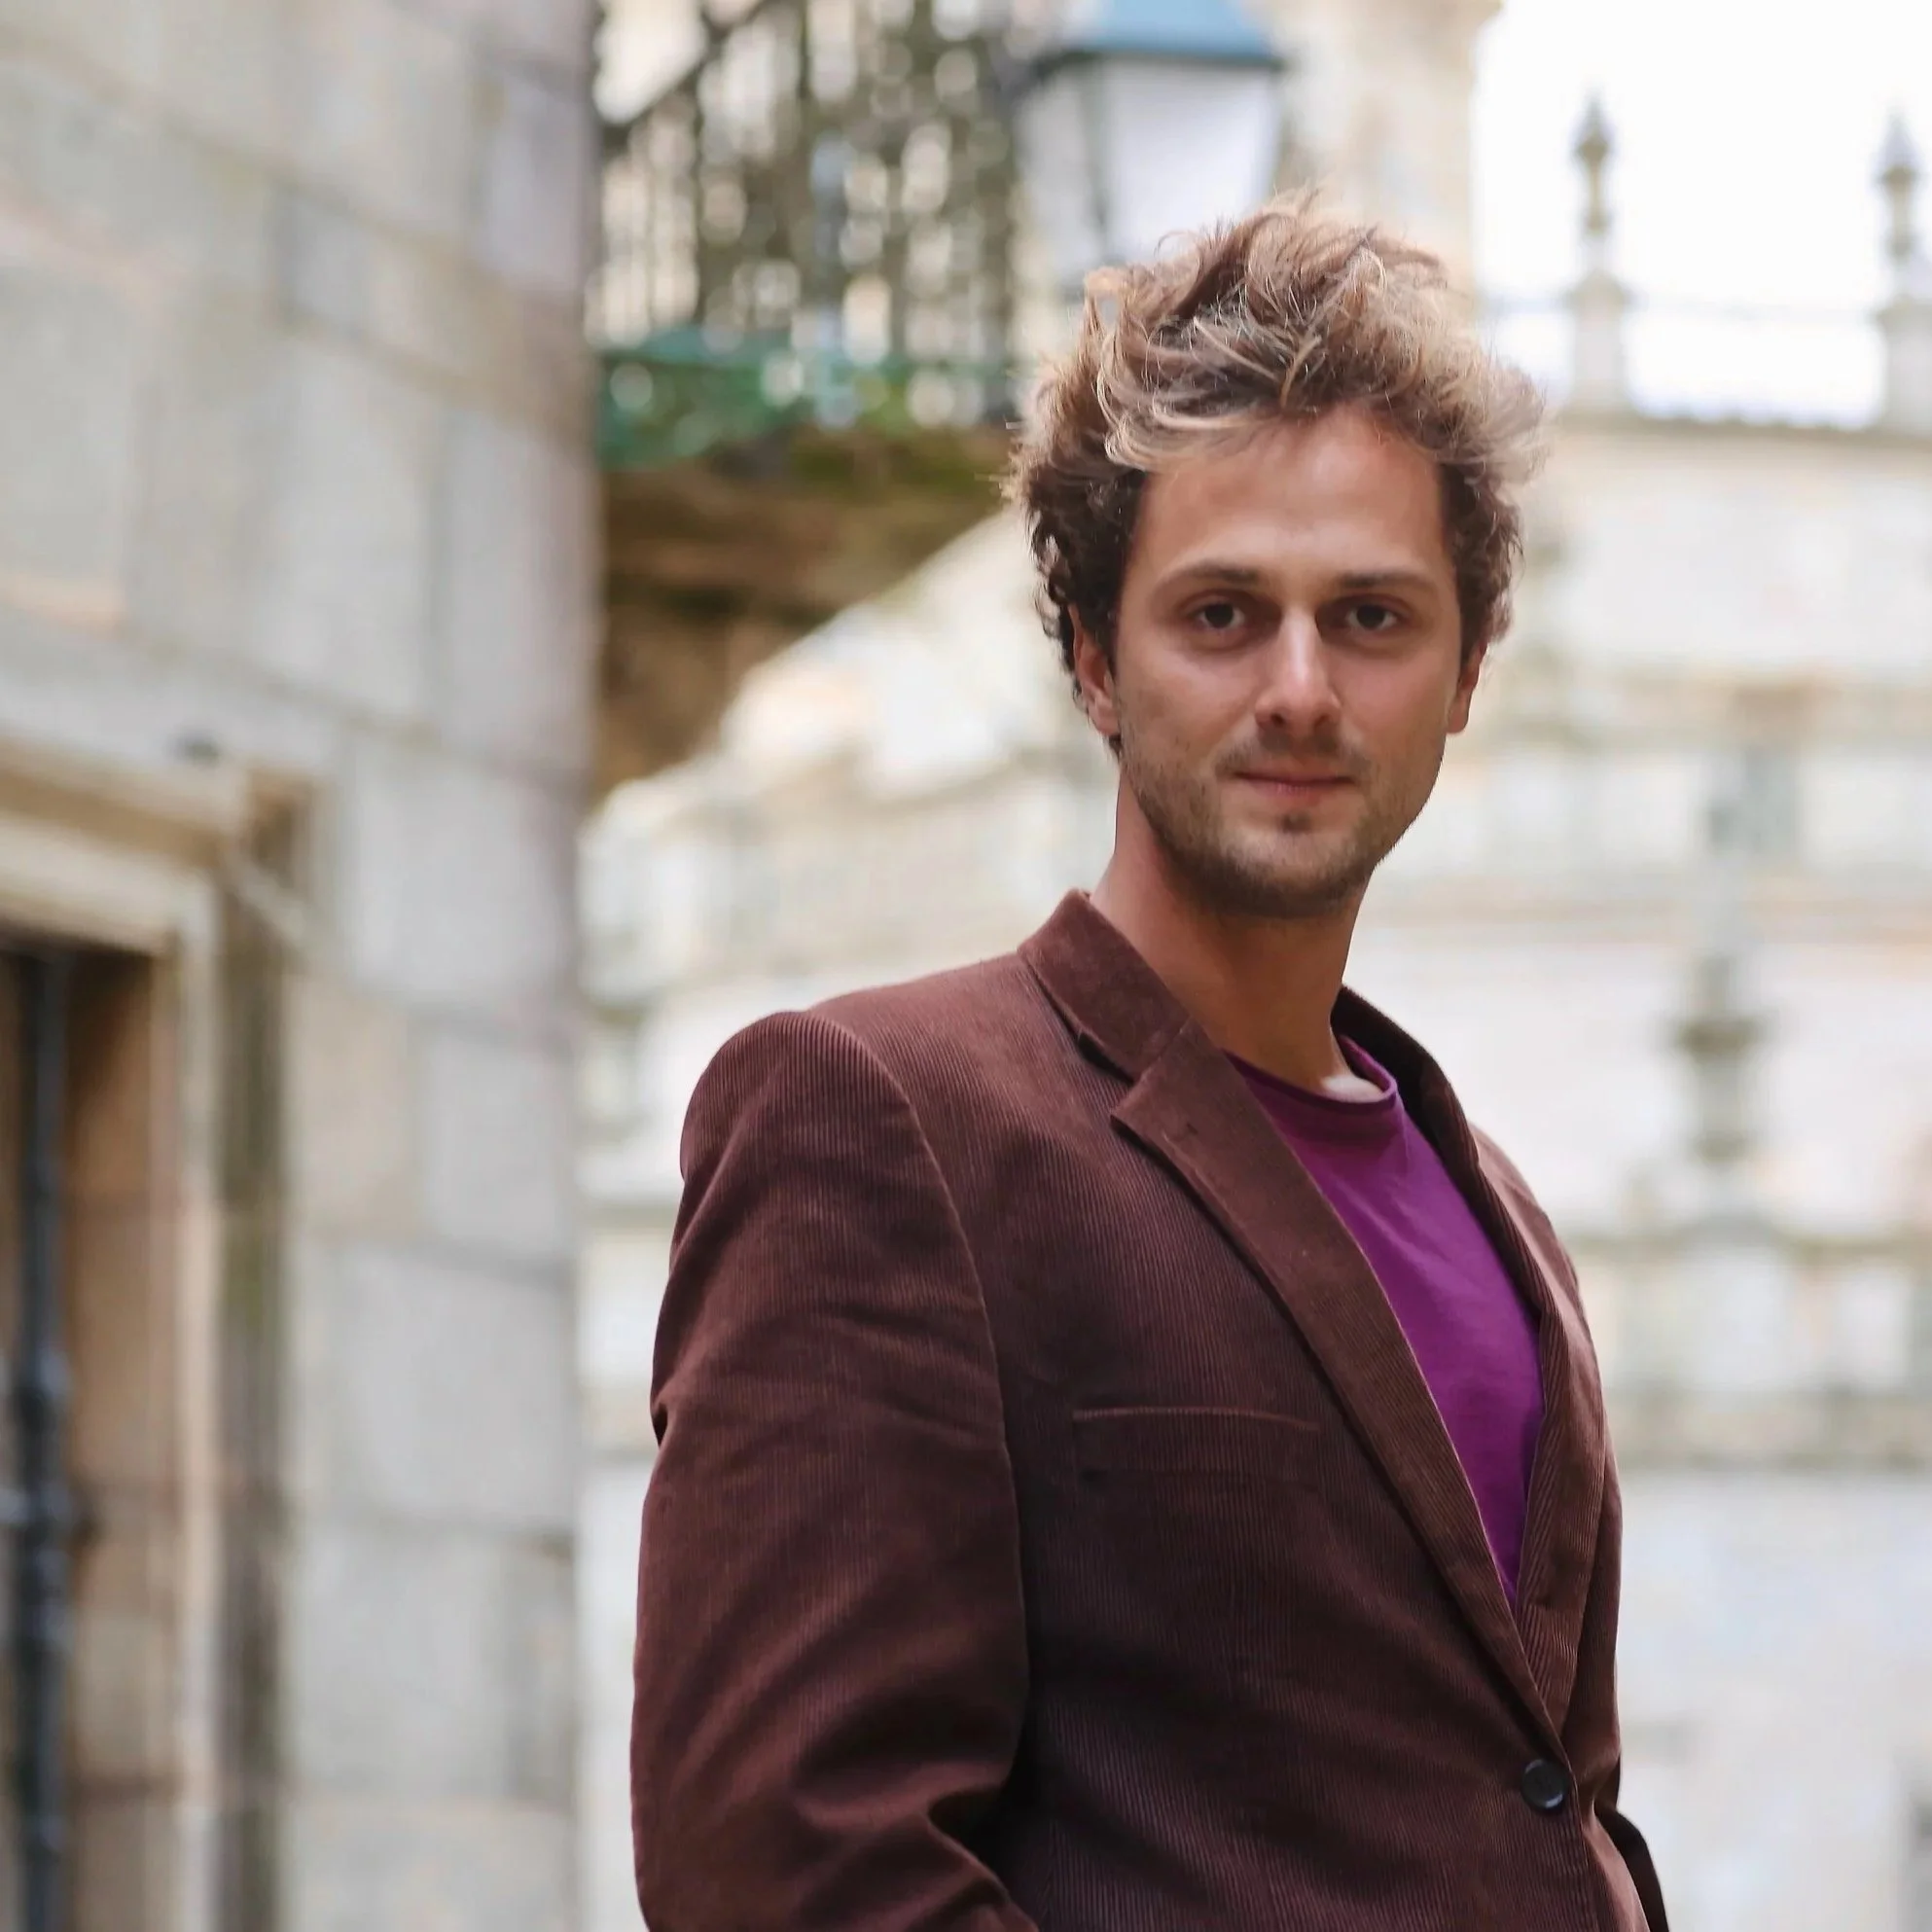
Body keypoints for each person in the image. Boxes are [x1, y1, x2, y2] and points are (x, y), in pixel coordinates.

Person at [630, 202, 1667, 1932]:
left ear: (1467, 674)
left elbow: (1546, 1808)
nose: (1300, 688)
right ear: (1097, 662)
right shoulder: (881, 1119)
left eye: (1372, 617)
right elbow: (790, 1872)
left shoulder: (1501, 1215)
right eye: (1222, 613)